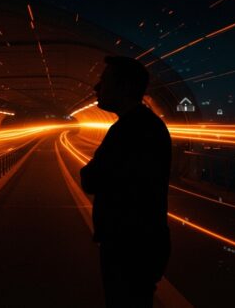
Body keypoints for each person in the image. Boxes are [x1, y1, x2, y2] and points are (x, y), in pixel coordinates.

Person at [79, 56, 171, 307]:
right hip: (143, 243)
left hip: (128, 246)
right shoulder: (147, 125)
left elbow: (90, 179)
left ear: (125, 87)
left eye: (105, 80)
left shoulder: (129, 130)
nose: (96, 87)